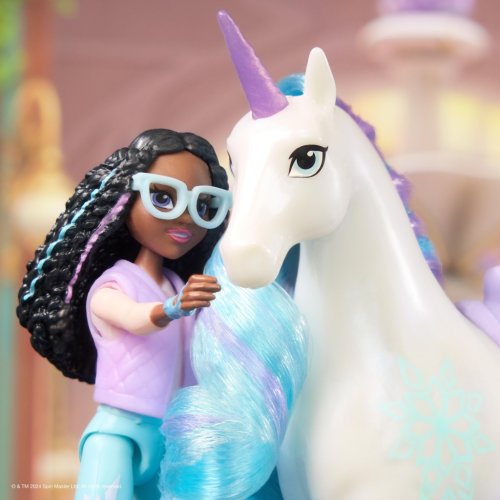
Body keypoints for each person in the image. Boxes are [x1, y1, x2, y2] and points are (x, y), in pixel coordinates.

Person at [17, 128, 231, 499]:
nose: (186, 218)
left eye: (203, 206)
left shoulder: (177, 285)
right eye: (163, 197)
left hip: (175, 436)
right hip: (121, 433)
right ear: (125, 199)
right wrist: (175, 307)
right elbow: (135, 318)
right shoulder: (112, 287)